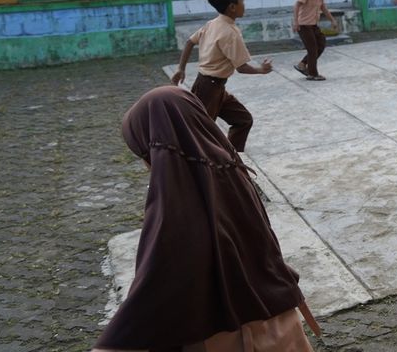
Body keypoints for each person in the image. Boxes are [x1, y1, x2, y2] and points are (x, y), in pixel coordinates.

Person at [91, 86, 317, 351]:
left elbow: (159, 277)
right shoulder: (230, 169)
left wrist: (113, 342)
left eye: (144, 152)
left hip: (228, 336)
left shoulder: (175, 195)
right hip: (279, 322)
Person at [171, 0, 273, 152]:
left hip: (214, 87)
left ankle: (230, 160)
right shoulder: (230, 33)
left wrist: (181, 68)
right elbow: (241, 67)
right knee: (200, 134)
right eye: (242, 1)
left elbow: (189, 42)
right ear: (232, 7)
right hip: (208, 89)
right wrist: (261, 70)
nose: (244, 5)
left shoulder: (212, 24)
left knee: (243, 120)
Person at [293, 0, 338, 81]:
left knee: (321, 44)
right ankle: (313, 74)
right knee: (312, 49)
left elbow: (323, 7)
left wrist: (332, 20)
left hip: (313, 24)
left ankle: (302, 64)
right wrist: (295, 22)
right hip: (304, 25)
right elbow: (297, 5)